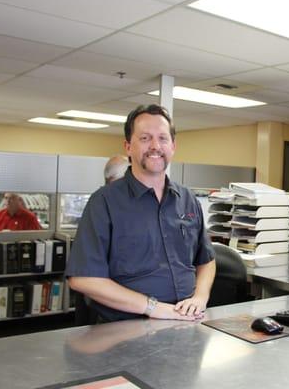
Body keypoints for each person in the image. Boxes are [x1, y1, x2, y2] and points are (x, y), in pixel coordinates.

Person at [66, 104, 216, 323]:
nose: (155, 146)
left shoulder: (187, 199)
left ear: (173, 146)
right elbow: (83, 278)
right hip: (127, 328)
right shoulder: (104, 202)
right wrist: (153, 307)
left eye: (163, 138)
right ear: (128, 146)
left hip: (188, 322)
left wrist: (200, 298)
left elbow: (207, 260)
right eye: (145, 138)